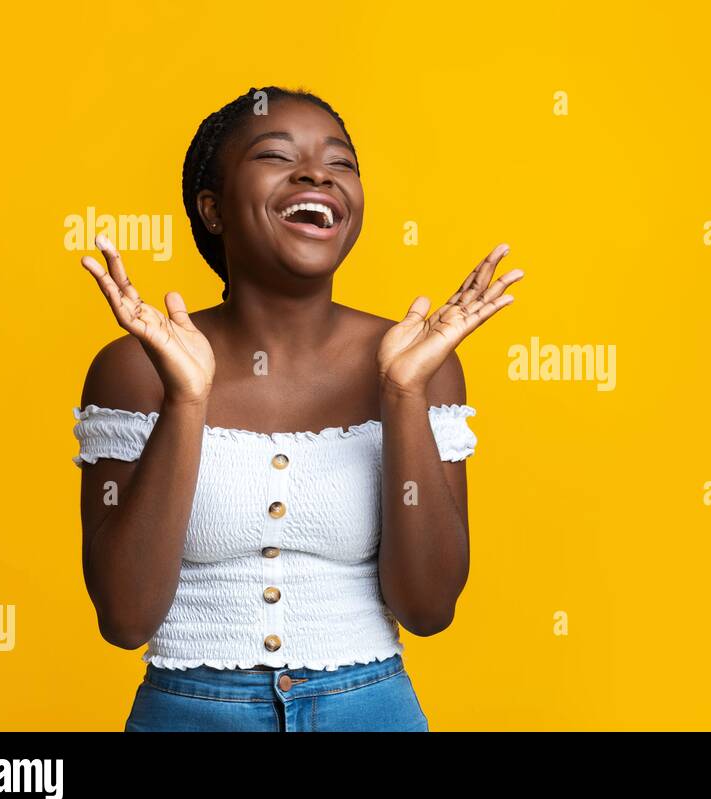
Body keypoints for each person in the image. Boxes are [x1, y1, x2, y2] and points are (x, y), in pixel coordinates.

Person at [71, 86, 522, 731]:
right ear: (213, 209)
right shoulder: (134, 368)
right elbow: (124, 617)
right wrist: (185, 401)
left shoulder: (421, 363)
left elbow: (428, 611)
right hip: (189, 715)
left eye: (341, 163)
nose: (317, 173)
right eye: (277, 156)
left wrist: (403, 396)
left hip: (371, 711)